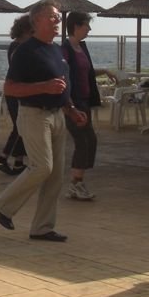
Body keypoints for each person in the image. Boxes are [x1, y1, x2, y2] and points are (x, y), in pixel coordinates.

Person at [0, 1, 87, 243]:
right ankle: (3, 206)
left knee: (55, 176)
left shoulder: (55, 50)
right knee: (42, 167)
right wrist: (43, 87)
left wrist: (71, 110)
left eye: (58, 17)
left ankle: (42, 228)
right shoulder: (25, 51)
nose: (58, 21)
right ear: (37, 21)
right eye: (53, 17)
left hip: (58, 115)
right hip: (34, 115)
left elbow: (61, 86)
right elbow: (10, 88)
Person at [60, 11, 111, 201]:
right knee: (82, 141)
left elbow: (86, 72)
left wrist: (105, 71)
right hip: (73, 103)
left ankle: (77, 181)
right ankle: (76, 184)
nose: (89, 29)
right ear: (76, 27)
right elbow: (62, 75)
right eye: (86, 25)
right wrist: (68, 105)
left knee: (90, 141)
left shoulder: (82, 47)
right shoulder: (65, 49)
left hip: (85, 101)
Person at [0, 15, 33, 176]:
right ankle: (2, 158)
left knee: (23, 127)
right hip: (16, 92)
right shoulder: (19, 47)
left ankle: (18, 162)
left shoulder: (17, 46)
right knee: (20, 126)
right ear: (26, 30)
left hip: (17, 90)